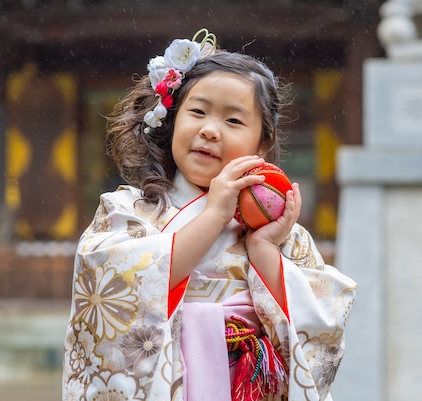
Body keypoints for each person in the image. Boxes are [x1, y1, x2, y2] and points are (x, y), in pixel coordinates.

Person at [62, 29, 356, 401]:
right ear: (170, 122)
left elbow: (320, 329)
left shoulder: (280, 232)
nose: (209, 130)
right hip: (169, 383)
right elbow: (110, 293)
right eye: (197, 112)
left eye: (234, 121)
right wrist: (215, 214)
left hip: (249, 385)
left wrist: (264, 248)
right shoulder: (128, 211)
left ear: (261, 143)